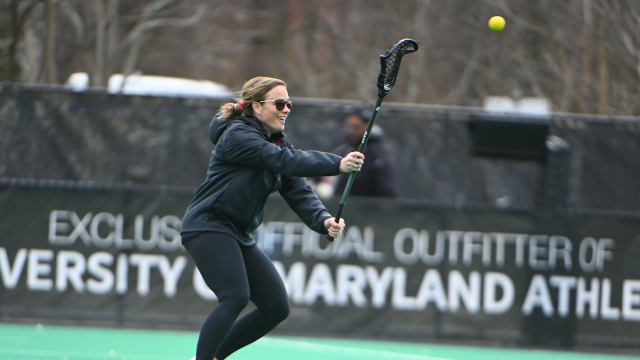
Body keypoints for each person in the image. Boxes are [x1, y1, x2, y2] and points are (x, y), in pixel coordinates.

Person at [180, 76, 364, 360]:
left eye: (289, 103)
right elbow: (284, 161)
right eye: (279, 103)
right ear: (256, 106)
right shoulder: (237, 135)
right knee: (235, 296)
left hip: (238, 232)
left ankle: (213, 357)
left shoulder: (276, 140)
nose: (286, 109)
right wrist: (336, 164)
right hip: (209, 225)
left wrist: (323, 219)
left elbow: (296, 186)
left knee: (276, 307)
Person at [330, 108, 399, 198]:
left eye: (357, 127)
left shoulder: (381, 156)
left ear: (369, 126)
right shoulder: (342, 146)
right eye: (349, 126)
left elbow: (387, 192)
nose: (352, 131)